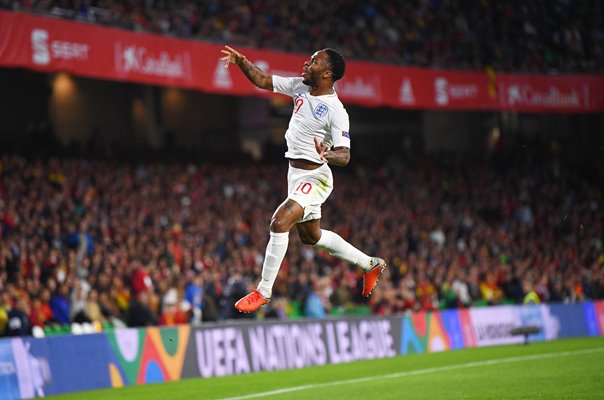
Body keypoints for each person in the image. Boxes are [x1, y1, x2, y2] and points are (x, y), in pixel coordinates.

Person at [220, 45, 386, 313]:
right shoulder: (300, 87)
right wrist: (242, 63)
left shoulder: (336, 111)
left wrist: (328, 153)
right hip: (295, 174)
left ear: (327, 73)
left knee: (279, 221)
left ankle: (263, 291)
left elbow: (345, 156)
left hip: (316, 176)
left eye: (314, 62)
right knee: (311, 237)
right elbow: (263, 80)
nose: (307, 64)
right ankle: (369, 264)